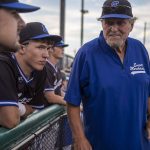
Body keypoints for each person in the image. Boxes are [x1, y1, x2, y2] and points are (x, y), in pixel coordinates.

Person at [64, 0, 150, 150]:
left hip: (139, 143)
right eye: (108, 22)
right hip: (100, 144)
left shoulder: (140, 49)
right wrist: (79, 138)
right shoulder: (86, 53)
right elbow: (72, 102)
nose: (114, 28)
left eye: (120, 22)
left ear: (131, 25)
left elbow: (147, 91)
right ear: (102, 24)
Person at [0, 22, 61, 129]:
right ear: (22, 48)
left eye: (48, 48)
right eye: (41, 47)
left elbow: (33, 109)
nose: (46, 55)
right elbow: (10, 120)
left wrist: (18, 107)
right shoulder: (3, 65)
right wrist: (21, 109)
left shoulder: (41, 71)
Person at [44, 39, 69, 106]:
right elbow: (50, 97)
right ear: (51, 49)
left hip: (51, 111)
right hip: (40, 112)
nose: (63, 50)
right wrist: (72, 103)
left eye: (63, 48)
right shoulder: (45, 68)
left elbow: (58, 91)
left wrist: (71, 99)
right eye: (60, 47)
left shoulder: (56, 68)